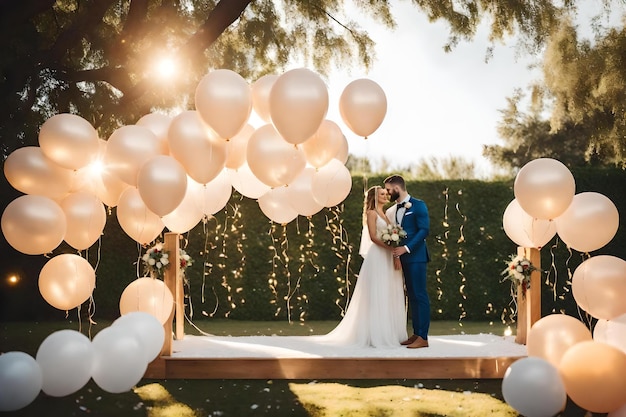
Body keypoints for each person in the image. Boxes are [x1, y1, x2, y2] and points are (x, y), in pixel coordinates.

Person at [313, 185, 408, 348]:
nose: (385, 196)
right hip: (378, 256)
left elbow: (391, 235)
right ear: (374, 197)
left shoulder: (386, 215)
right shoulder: (372, 214)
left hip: (388, 255)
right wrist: (391, 248)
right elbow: (372, 236)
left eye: (386, 194)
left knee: (388, 291)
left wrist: (394, 249)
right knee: (377, 292)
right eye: (382, 194)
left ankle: (391, 332)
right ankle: (375, 334)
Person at [384, 174, 431, 349]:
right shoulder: (393, 210)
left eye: (389, 190)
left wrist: (406, 248)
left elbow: (423, 230)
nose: (388, 193)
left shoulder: (418, 205)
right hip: (401, 258)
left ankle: (423, 337)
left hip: (416, 257)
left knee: (420, 295)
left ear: (397, 188)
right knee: (411, 296)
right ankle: (416, 333)